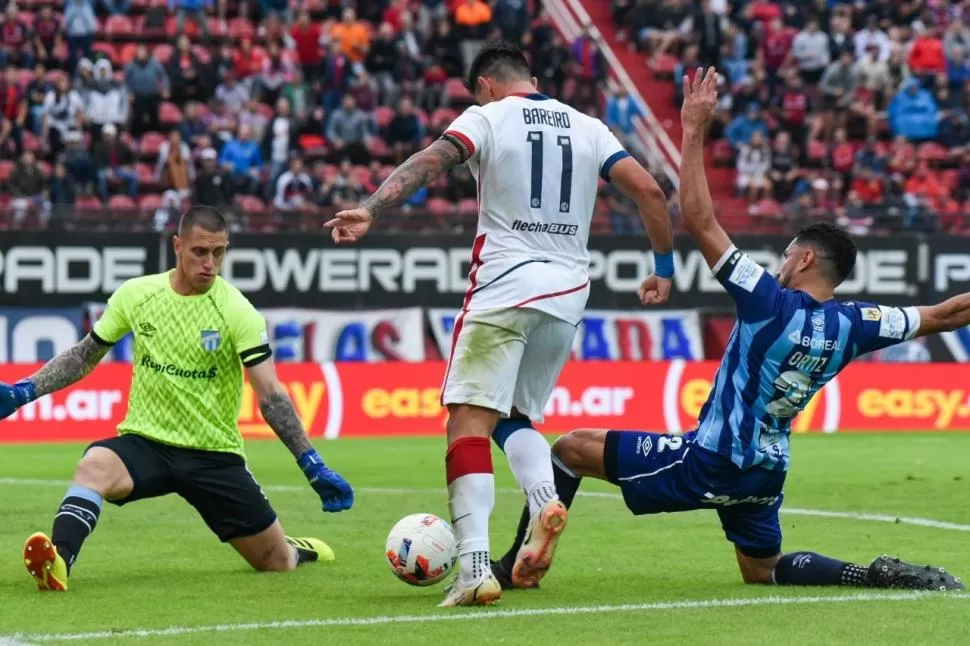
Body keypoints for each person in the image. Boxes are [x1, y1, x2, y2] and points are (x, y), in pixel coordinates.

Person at [493, 68, 966, 594]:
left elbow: (698, 217)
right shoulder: (856, 324)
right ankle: (869, 574)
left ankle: (518, 564)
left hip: (711, 460)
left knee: (568, 449)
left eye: (787, 254)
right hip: (765, 474)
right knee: (761, 569)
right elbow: (945, 314)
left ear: (806, 258)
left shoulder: (768, 301)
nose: (781, 261)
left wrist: (693, 129)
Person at [324, 42, 673, 607]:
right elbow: (652, 191)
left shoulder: (486, 116)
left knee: (467, 422)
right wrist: (663, 268)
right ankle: (543, 499)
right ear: (530, 77)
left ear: (484, 84)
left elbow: (432, 160)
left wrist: (372, 207)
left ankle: (475, 568)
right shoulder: (588, 126)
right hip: (567, 296)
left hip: (505, 287)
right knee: (517, 417)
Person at [0, 206, 354, 592]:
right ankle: (58, 562)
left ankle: (294, 548)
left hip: (213, 454)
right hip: (146, 441)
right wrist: (24, 391)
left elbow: (270, 395)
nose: (210, 264)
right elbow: (84, 355)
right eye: (200, 252)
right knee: (93, 466)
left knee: (276, 563)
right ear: (177, 245)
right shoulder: (138, 295)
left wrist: (311, 463)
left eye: (219, 253)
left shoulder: (237, 311)